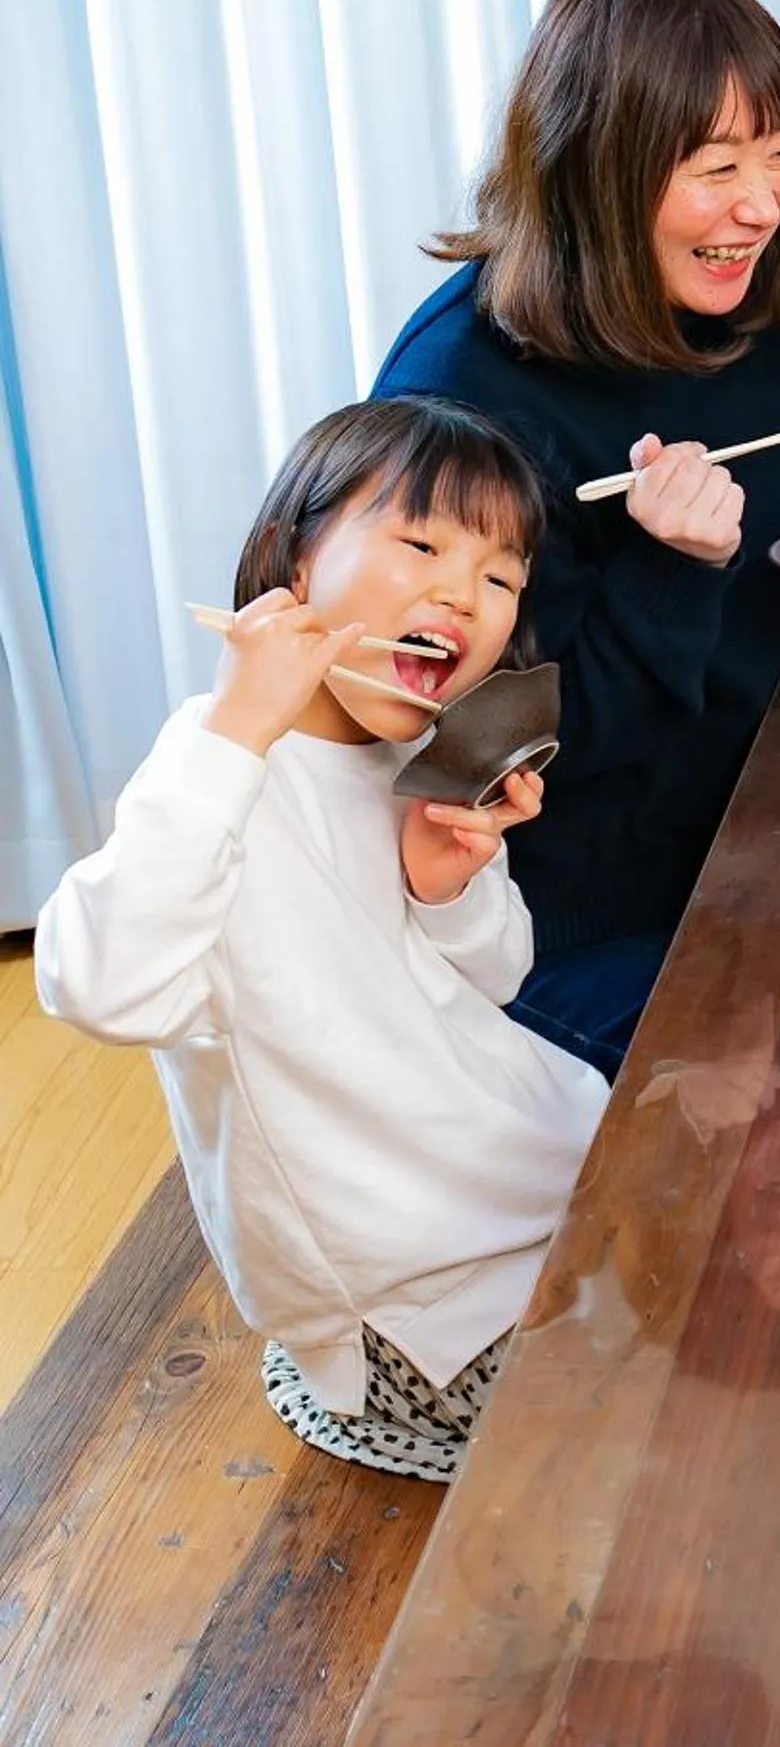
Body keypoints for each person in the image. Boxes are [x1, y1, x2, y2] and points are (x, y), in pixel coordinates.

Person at [375, 0, 780, 1078]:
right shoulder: (461, 396)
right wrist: (670, 570)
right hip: (575, 911)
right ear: (593, 172)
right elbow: (488, 752)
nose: (760, 204)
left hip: (766, 805)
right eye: (714, 166)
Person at [34, 398, 610, 1480]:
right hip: (413, 1297)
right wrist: (239, 729)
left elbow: (494, 981)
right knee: (639, 1455)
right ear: (294, 560)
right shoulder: (210, 769)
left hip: (536, 1180)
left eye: (500, 579)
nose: (463, 593)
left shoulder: (418, 760)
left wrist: (445, 889)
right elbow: (100, 986)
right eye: (423, 544)